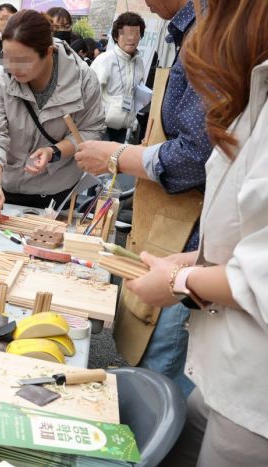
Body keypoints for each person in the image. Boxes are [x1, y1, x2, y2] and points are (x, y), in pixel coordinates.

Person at [126, 1, 268, 464]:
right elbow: (242, 247)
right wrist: (184, 264)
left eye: (211, 12)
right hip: (222, 374)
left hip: (252, 391)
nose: (201, 27)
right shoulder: (253, 98)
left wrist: (176, 281)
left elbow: (256, 278)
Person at [74, 0, 213, 397]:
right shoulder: (187, 31)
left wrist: (118, 156)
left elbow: (195, 156)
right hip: (176, 235)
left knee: (160, 378)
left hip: (190, 234)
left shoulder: (207, 34)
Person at [0, 10, 105, 216]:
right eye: (7, 56)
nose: (12, 67)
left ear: (48, 52)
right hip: (8, 185)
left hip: (58, 189)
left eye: (23, 60)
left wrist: (53, 152)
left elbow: (91, 129)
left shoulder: (83, 79)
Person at [90, 12, 146, 143]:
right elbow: (90, 95)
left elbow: (137, 93)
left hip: (124, 128)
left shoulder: (139, 62)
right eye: (125, 34)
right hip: (102, 128)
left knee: (114, 163)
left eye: (136, 33)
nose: (131, 38)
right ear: (116, 36)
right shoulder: (105, 60)